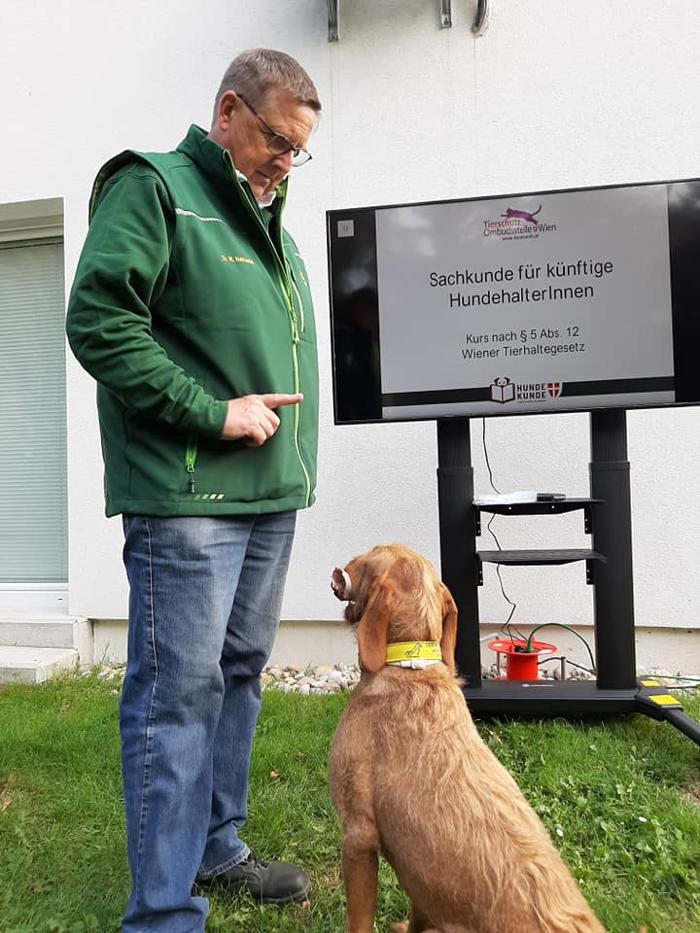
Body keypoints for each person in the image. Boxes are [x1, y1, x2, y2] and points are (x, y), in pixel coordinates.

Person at [66, 48, 320, 933]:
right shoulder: (154, 188)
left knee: (238, 673)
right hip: (187, 499)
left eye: (300, 151)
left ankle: (216, 845)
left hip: (267, 496)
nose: (287, 162)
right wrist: (211, 414)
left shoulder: (270, 225)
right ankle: (164, 912)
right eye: (278, 140)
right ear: (229, 111)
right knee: (175, 696)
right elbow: (100, 321)